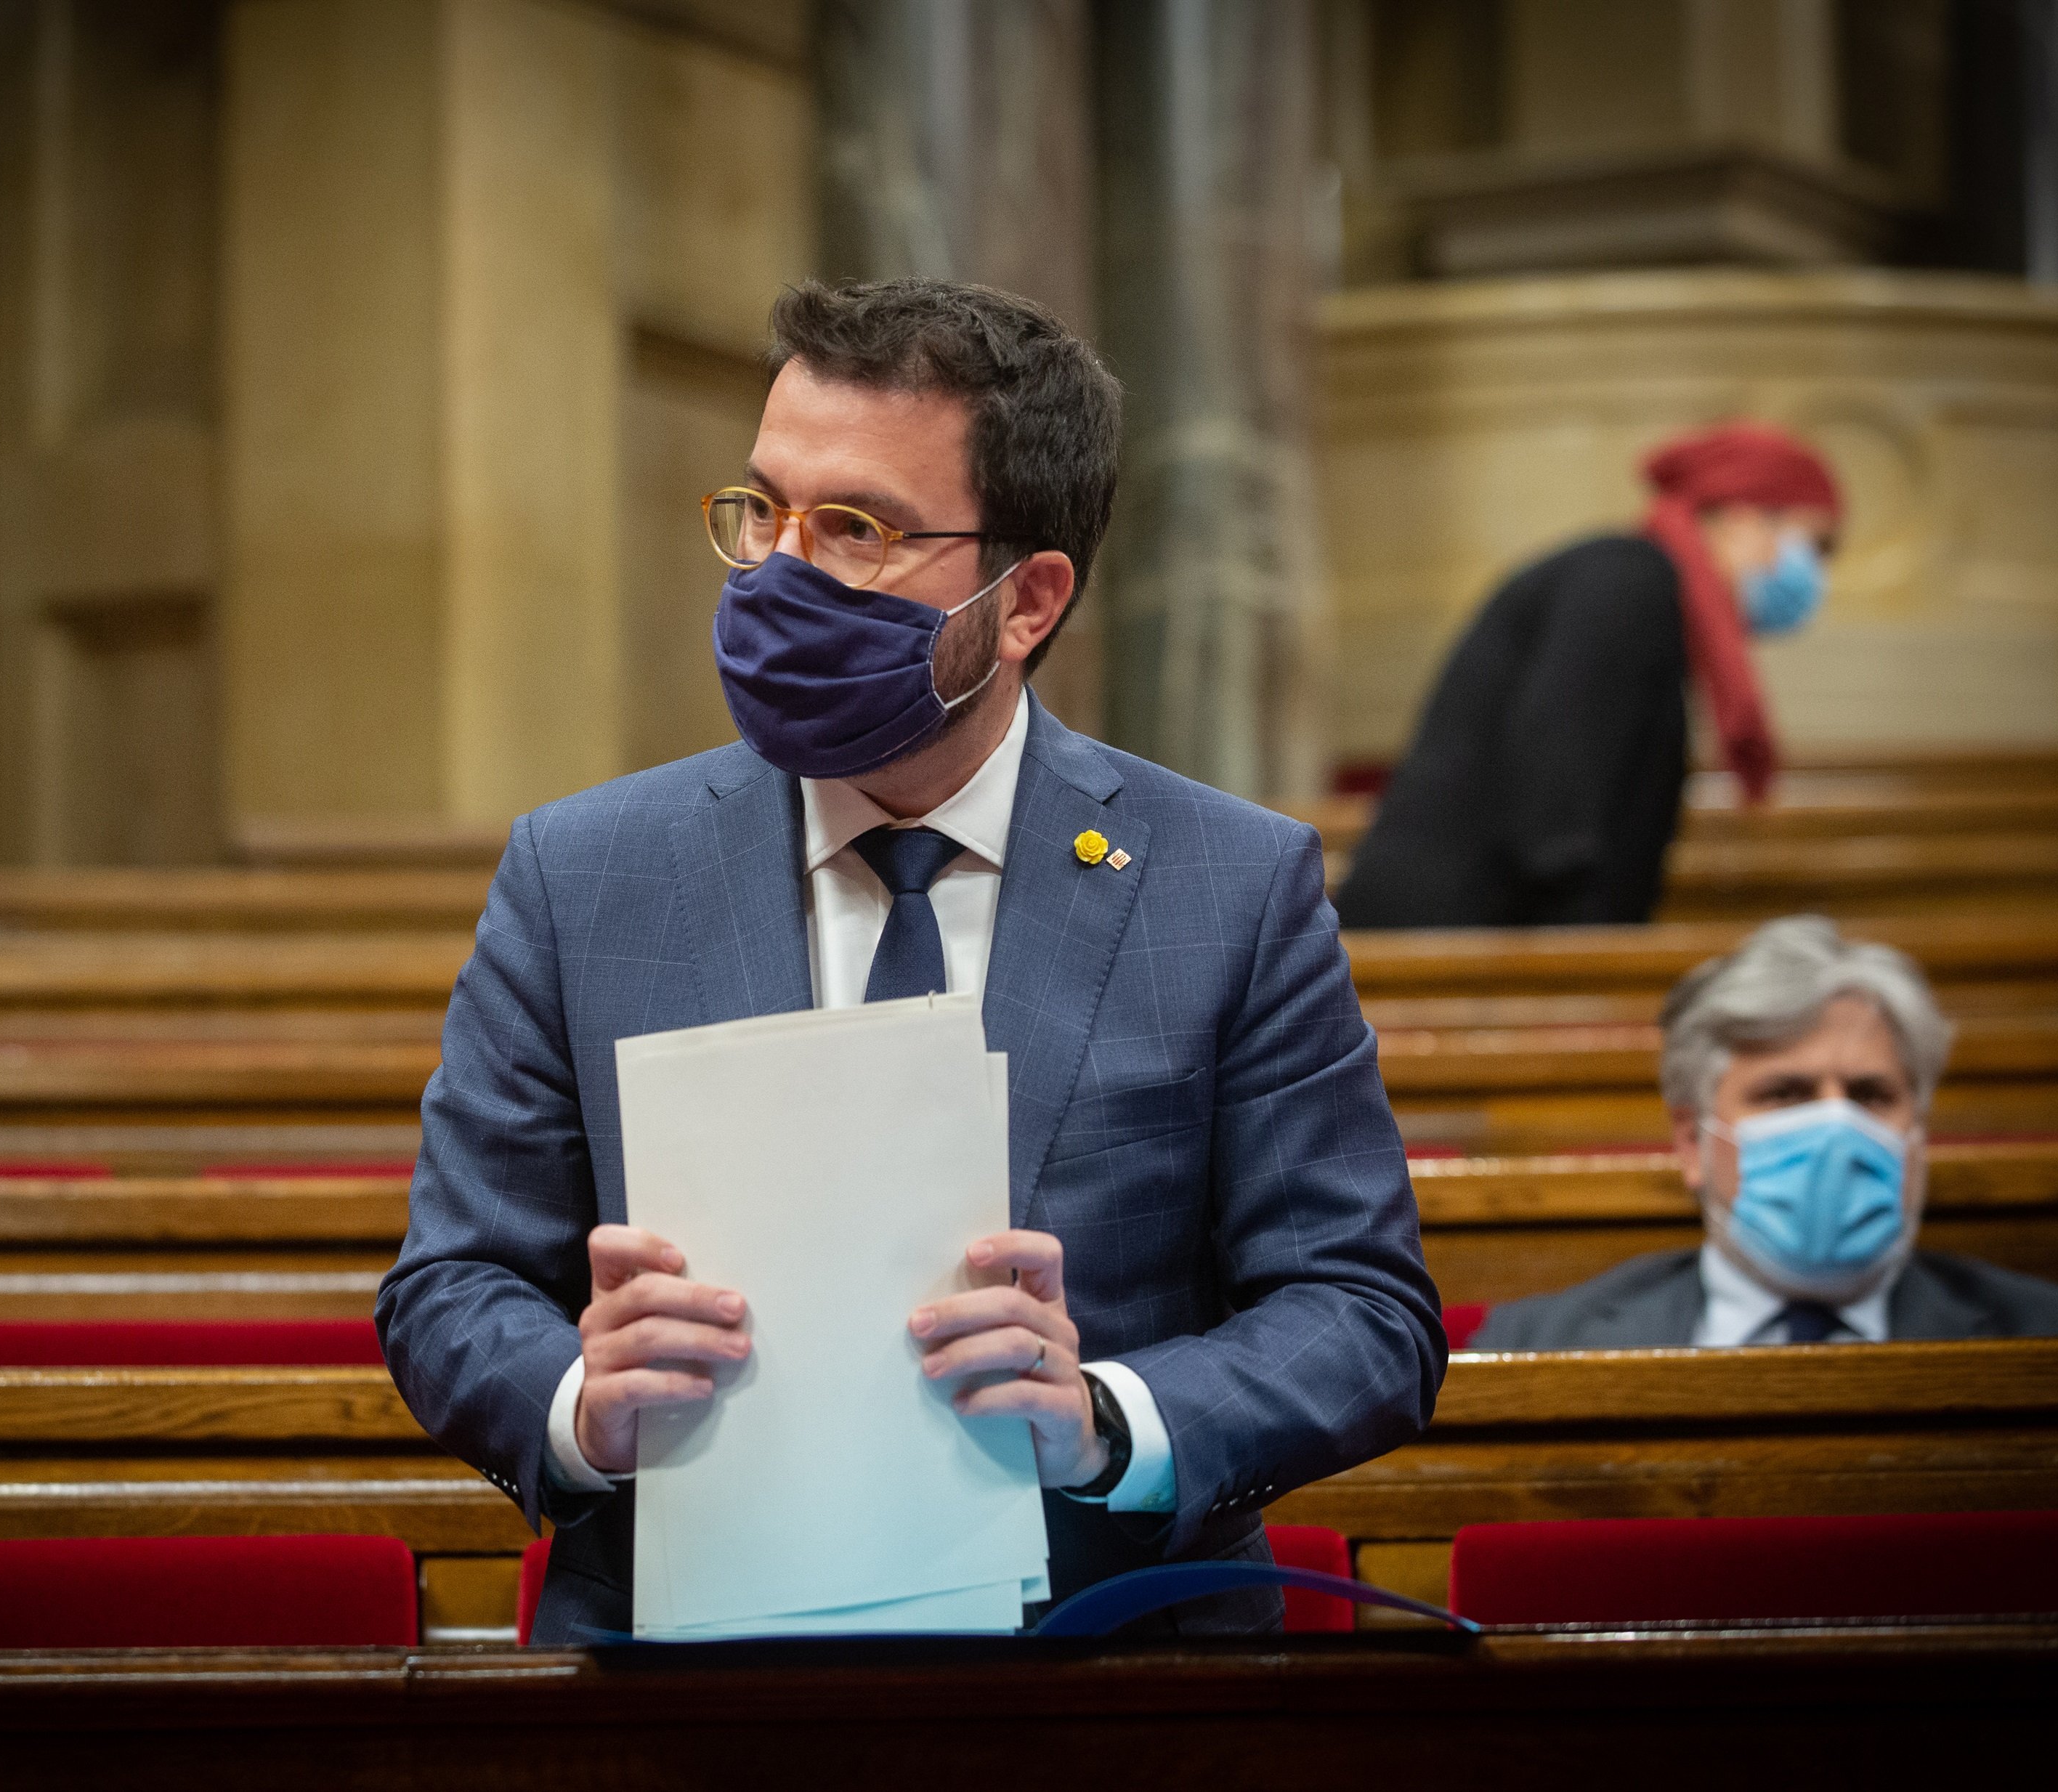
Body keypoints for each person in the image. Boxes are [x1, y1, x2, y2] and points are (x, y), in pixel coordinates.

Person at [376, 278, 1445, 1643]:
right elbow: (449, 1286)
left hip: (1116, 1668)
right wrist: (585, 1405)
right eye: (762, 510)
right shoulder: (584, 874)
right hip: (677, 1678)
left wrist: (1110, 1421)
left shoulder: (1230, 884)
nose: (778, 569)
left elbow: (1364, 1313)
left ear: (1026, 600)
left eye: (858, 529)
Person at [1471, 916, 2058, 1350]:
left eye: (1872, 1094)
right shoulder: (1537, 1341)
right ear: (1693, 1143)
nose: (1836, 1124)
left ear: (1919, 1136)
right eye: (1785, 1094)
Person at [1334, 423, 1842, 929]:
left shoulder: (1641, 586)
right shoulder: (1628, 582)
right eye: (1816, 546)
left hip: (1474, 933)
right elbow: (1552, 804)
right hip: (1458, 942)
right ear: (1742, 518)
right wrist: (1586, 958)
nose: (1818, 574)